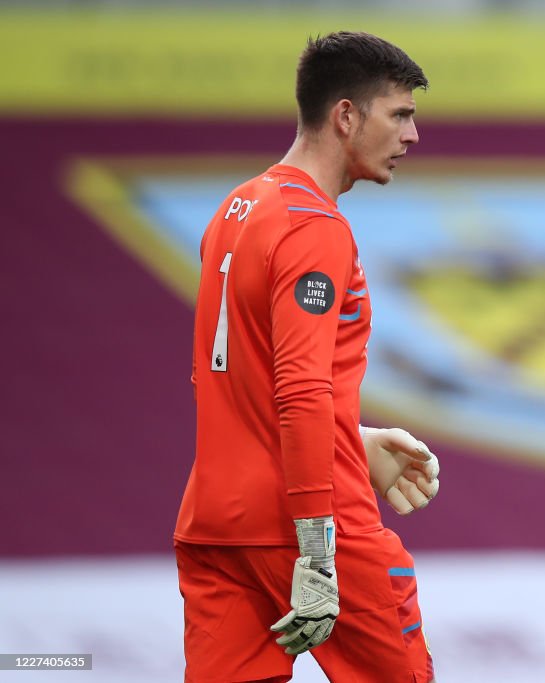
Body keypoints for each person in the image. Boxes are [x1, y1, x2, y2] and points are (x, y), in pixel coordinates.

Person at [173, 31, 439, 683]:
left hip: (216, 527)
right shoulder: (313, 227)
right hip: (308, 530)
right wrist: (318, 554)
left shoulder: (236, 209)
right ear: (346, 115)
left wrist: (351, 437)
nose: (413, 135)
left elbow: (236, 377)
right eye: (400, 114)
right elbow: (299, 391)